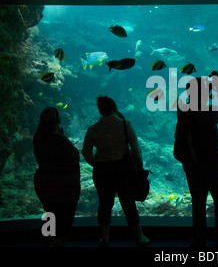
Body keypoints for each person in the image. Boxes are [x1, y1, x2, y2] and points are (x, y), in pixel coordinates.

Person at [174, 73, 218, 247]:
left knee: (198, 201)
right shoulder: (207, 111)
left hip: (191, 163)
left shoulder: (183, 108)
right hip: (212, 162)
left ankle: (198, 238)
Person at [82, 96, 150, 247]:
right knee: (128, 202)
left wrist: (95, 163)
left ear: (100, 110)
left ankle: (105, 238)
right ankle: (140, 237)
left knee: (104, 203)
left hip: (101, 171)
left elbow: (86, 152)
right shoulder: (125, 124)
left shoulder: (93, 129)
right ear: (114, 108)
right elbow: (135, 148)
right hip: (122, 169)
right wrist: (137, 165)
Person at [33, 107, 81, 247]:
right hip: (63, 189)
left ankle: (46, 243)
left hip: (45, 185)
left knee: (50, 214)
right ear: (58, 121)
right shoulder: (60, 139)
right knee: (62, 226)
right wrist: (64, 138)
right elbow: (74, 157)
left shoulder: (38, 137)